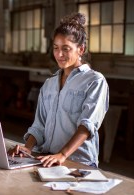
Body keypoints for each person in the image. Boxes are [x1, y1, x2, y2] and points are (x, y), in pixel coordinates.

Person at [8, 12, 109, 168]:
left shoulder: (95, 81)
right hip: (46, 158)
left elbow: (87, 126)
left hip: (78, 162)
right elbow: (39, 125)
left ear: (80, 49)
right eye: (55, 48)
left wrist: (62, 155)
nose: (59, 54)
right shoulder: (49, 84)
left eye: (66, 48)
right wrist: (27, 148)